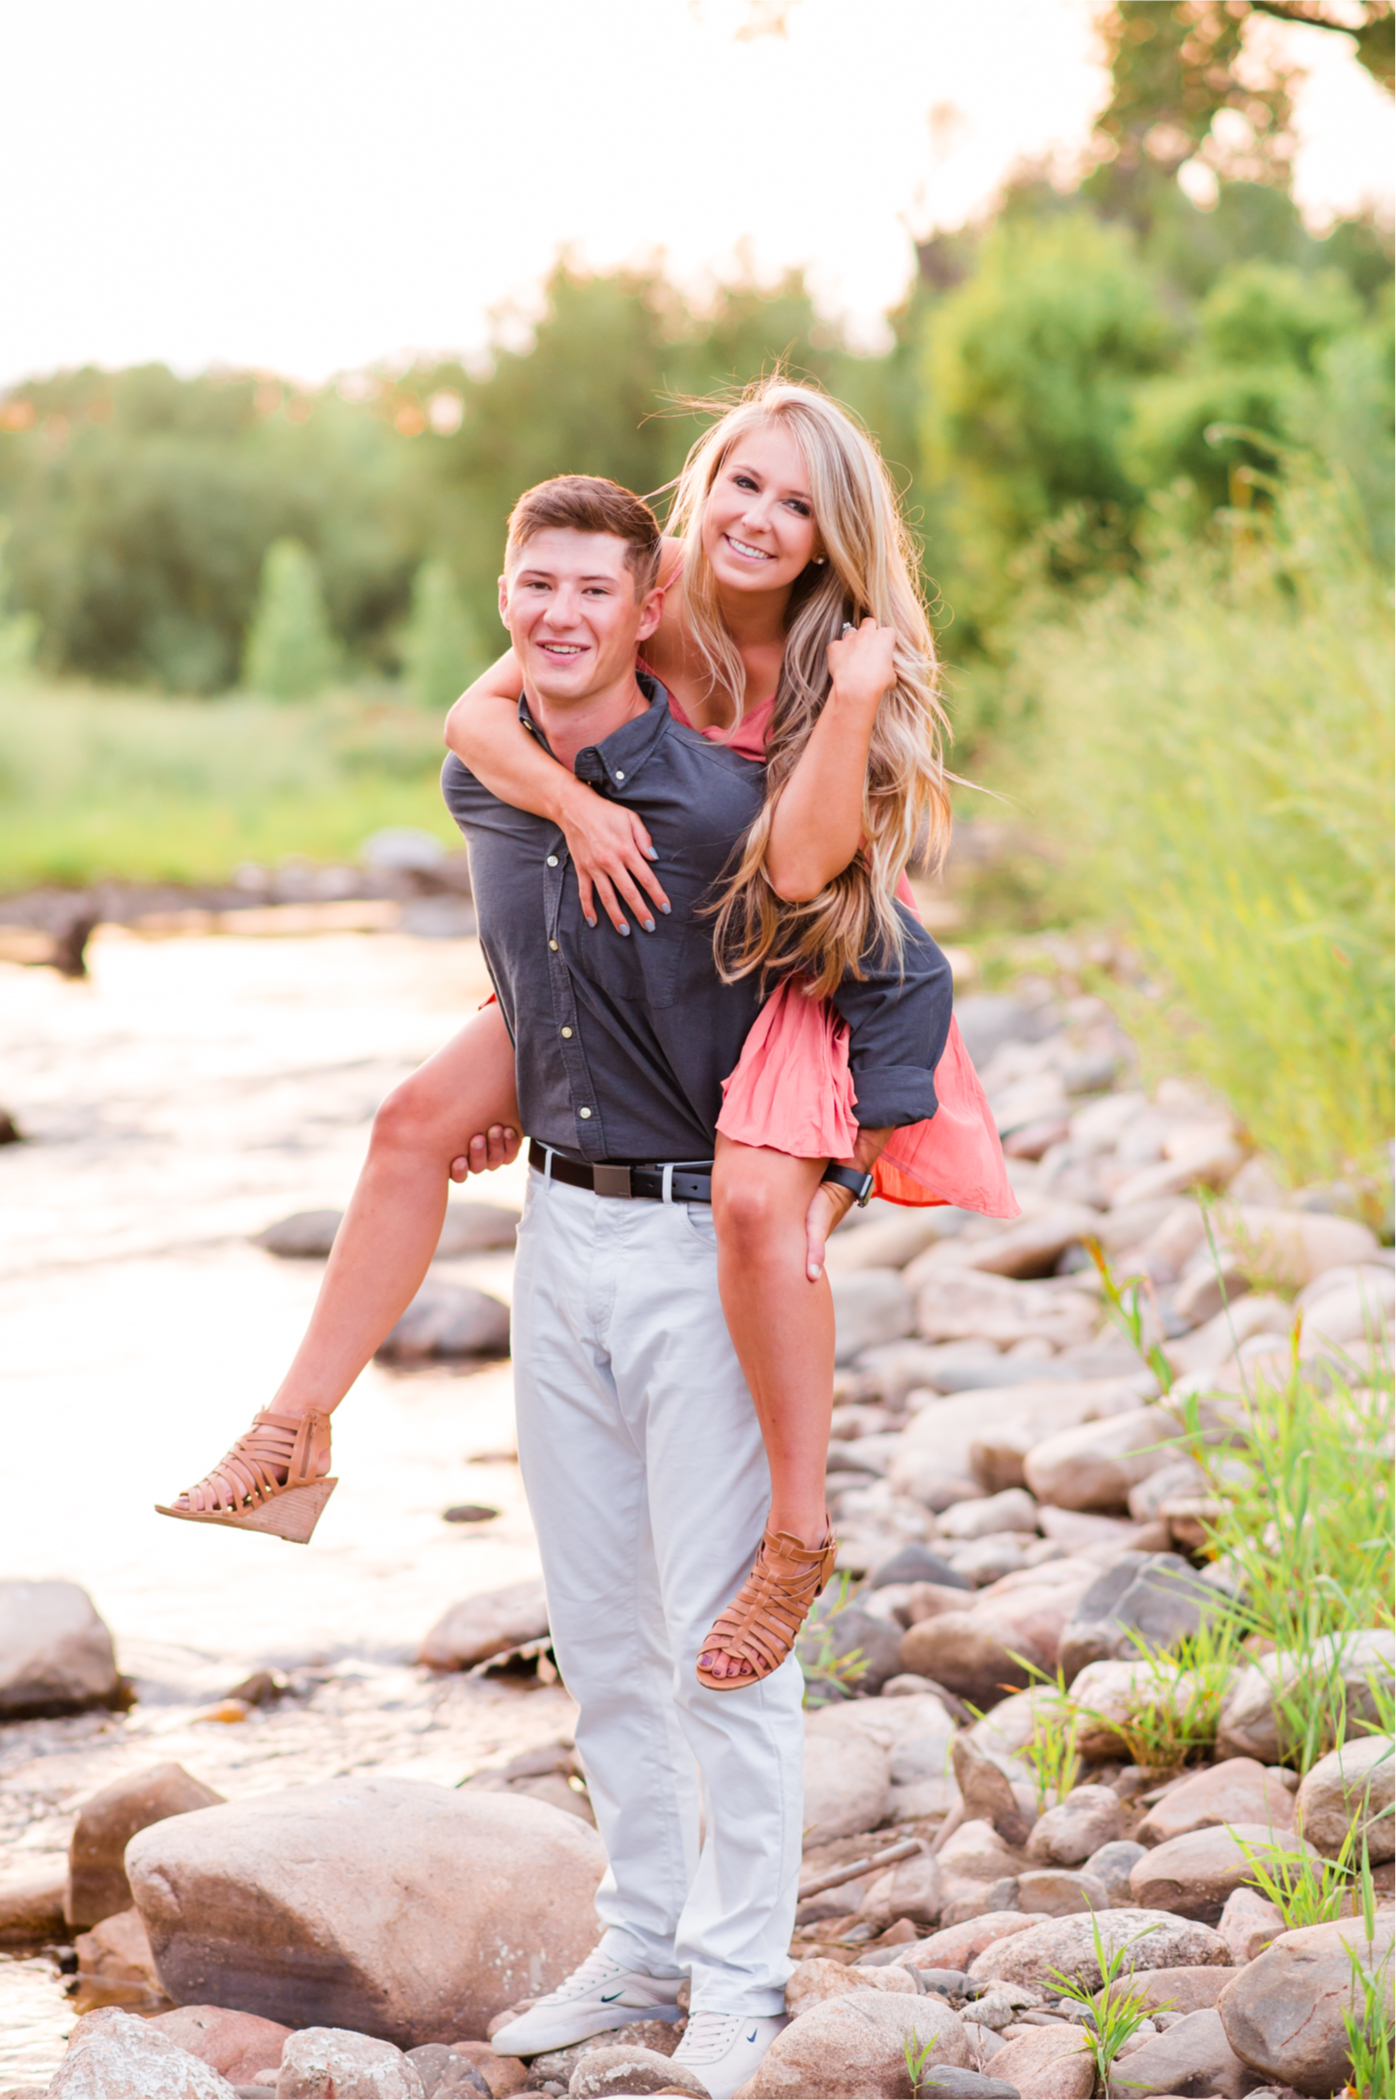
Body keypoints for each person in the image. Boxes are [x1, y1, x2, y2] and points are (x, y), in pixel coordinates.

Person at [157, 379, 1011, 1686]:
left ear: (833, 536)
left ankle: (795, 1531)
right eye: (745, 483)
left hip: (789, 965)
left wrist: (845, 706)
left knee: (749, 1207)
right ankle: (291, 1426)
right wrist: (573, 808)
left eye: (798, 504)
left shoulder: (841, 658)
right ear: (706, 484)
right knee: (411, 1123)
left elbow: (800, 870)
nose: (762, 518)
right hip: (634, 956)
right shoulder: (640, 585)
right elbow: (470, 721)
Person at [443, 474, 951, 2096]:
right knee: (600, 1633)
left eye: (595, 590)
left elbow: (893, 953)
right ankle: (643, 1942)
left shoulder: (733, 794)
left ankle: (740, 1986)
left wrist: (861, 1139)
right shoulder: (506, 760)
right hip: (554, 1232)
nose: (561, 615)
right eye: (536, 588)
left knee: (720, 1643)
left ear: (647, 600)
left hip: (692, 1243)